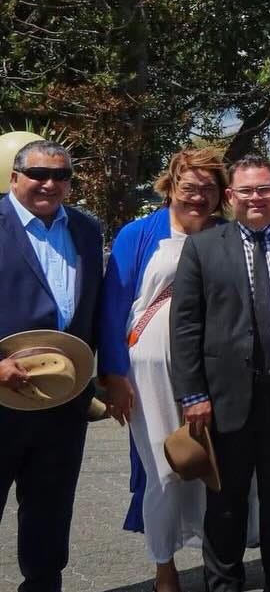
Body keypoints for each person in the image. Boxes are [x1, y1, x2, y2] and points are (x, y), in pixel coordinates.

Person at [169, 154, 270, 592]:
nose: (255, 198)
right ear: (229, 197)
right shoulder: (203, 246)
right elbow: (185, 326)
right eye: (246, 191)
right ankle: (224, 585)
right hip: (224, 399)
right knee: (225, 504)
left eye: (264, 189)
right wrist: (191, 395)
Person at [97, 147, 229, 592]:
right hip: (148, 368)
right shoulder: (139, 233)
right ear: (171, 185)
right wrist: (113, 376)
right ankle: (163, 567)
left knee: (214, 465)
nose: (198, 196)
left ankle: (218, 561)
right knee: (164, 467)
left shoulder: (228, 234)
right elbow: (114, 307)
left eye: (208, 189)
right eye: (190, 187)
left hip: (212, 367)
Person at [0, 140, 104, 592]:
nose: (49, 183)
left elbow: (95, 307)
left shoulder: (86, 229)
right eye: (38, 173)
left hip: (63, 397)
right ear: (14, 177)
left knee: (50, 508)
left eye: (60, 176)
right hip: (0, 395)